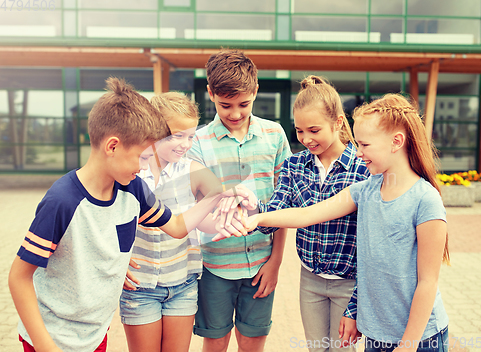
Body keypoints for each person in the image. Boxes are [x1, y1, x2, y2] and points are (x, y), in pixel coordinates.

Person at [8, 78, 250, 352]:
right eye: (143, 158)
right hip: (52, 338)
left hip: (96, 334)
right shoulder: (62, 201)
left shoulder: (133, 188)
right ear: (112, 146)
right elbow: (19, 277)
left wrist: (221, 194)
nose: (145, 166)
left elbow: (178, 226)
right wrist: (45, 346)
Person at [243, 94, 450, 352]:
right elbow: (307, 215)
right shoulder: (364, 190)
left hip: (420, 339)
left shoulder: (426, 200)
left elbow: (427, 283)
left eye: (364, 145)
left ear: (396, 142)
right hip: (377, 335)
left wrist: (407, 345)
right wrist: (258, 217)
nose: (358, 153)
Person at [253, 75, 369, 352]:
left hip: (349, 282)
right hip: (311, 280)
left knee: (343, 350)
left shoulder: (363, 168)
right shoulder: (294, 165)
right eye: (300, 131)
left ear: (339, 123)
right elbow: (275, 215)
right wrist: (251, 210)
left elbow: (372, 239)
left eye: (314, 130)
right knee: (317, 349)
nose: (306, 139)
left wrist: (356, 302)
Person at [187, 49, 292, 352]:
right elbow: (194, 211)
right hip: (214, 266)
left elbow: (282, 206)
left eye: (244, 104)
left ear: (256, 91)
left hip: (262, 263)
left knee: (251, 343)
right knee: (216, 343)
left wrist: (276, 262)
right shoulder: (197, 143)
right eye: (225, 105)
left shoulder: (275, 135)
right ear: (210, 93)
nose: (235, 113)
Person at [120, 91, 223, 352]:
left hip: (183, 284)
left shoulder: (191, 169)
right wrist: (114, 263)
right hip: (139, 286)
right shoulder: (132, 171)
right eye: (178, 136)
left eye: (191, 136)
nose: (186, 144)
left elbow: (214, 206)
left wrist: (229, 220)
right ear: (154, 129)